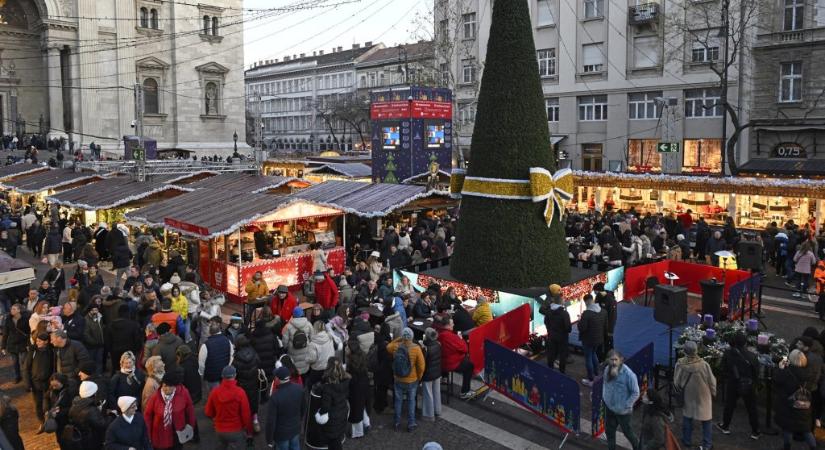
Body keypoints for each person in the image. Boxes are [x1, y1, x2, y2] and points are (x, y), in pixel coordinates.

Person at [716, 332, 761, 439]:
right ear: (745, 343)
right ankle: (755, 431)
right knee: (751, 408)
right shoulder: (752, 356)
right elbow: (756, 372)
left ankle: (725, 426)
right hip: (748, 384)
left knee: (729, 406)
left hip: (733, 383)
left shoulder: (728, 353)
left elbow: (723, 368)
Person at [674, 340, 716, 450]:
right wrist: (713, 391)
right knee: (706, 420)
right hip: (703, 395)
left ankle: (687, 440)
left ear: (684, 351)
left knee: (687, 417)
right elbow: (712, 381)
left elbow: (676, 382)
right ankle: (707, 444)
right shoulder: (704, 364)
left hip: (688, 394)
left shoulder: (680, 364)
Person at [774, 349, 817, 450]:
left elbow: (776, 382)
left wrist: (780, 368)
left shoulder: (787, 373)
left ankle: (787, 447)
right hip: (804, 405)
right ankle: (813, 447)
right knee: (806, 429)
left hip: (788, 405)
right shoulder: (809, 374)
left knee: (788, 428)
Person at [205, 365, 253, 450]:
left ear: (222, 376)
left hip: (220, 430)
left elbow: (208, 412)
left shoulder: (214, 392)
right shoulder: (240, 392)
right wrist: (248, 430)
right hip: (236, 430)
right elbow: (246, 415)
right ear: (235, 376)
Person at [144, 372, 196, 450]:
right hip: (159, 434)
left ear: (175, 386)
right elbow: (147, 416)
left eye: (170, 386)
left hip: (177, 433)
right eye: (164, 386)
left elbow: (190, 410)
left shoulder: (183, 393)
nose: (166, 389)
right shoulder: (155, 397)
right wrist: (147, 435)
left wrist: (190, 425)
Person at [387, 327, 425, 431]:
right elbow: (421, 366)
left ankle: (396, 422)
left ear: (403, 337)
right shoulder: (416, 348)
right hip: (412, 380)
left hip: (398, 379)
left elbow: (388, 347)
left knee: (398, 401)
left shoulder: (396, 347)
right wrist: (419, 377)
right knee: (411, 401)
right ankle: (411, 423)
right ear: (412, 337)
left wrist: (399, 339)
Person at [602, 350, 640, 450]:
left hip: (622, 412)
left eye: (616, 359)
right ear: (608, 360)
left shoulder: (629, 375)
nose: (614, 362)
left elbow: (636, 392)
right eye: (611, 360)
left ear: (621, 360)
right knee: (609, 432)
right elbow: (605, 385)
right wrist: (604, 397)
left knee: (628, 433)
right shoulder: (607, 370)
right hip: (610, 408)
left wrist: (626, 405)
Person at [314, 357, 350, 450]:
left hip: (332, 419)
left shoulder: (327, 388)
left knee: (333, 443)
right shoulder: (346, 381)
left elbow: (325, 407)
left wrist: (319, 414)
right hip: (342, 413)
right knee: (337, 440)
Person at [435, 314, 475, 399]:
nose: (453, 325)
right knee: (469, 365)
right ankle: (464, 392)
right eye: (452, 323)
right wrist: (460, 339)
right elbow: (465, 349)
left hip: (441, 361)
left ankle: (444, 377)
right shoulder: (449, 336)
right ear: (448, 325)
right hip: (450, 363)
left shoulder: (439, 333)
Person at [266, 366, 305, 450]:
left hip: (281, 434)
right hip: (295, 429)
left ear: (277, 379)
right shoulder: (299, 388)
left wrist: (269, 439)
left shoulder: (275, 397)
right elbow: (303, 408)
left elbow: (271, 421)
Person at [231, 335, 262, 433]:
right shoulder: (253, 352)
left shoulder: (236, 357)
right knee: (253, 402)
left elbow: (234, 372)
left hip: (242, 385)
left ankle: (244, 423)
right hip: (253, 383)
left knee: (243, 404)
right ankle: (255, 421)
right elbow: (259, 364)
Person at [66, 380, 108, 450]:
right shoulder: (91, 410)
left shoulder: (74, 405)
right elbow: (102, 424)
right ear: (93, 393)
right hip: (92, 441)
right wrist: (111, 416)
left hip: (80, 440)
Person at [199, 319, 235, 396]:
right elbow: (232, 355)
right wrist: (228, 366)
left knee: (213, 395)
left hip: (211, 377)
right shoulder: (227, 341)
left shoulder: (205, 345)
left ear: (209, 332)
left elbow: (201, 364)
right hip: (224, 375)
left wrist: (202, 374)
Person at [51, 329, 92, 394]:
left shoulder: (77, 345)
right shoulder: (57, 349)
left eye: (52, 339)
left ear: (59, 338)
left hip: (75, 381)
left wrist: (73, 374)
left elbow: (84, 362)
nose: (51, 341)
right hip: (63, 381)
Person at [577, 294, 606, 386]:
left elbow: (582, 328)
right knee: (594, 354)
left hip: (588, 340)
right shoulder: (603, 311)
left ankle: (591, 379)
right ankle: (597, 374)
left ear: (586, 302)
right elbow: (605, 325)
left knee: (588, 358)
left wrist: (579, 321)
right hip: (599, 339)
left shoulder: (586, 313)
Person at [541, 286, 571, 373]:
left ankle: (550, 370)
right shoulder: (564, 314)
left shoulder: (549, 312)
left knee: (551, 353)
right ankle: (562, 372)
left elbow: (546, 322)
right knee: (562, 355)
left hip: (552, 336)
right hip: (562, 338)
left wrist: (550, 331)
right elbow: (568, 328)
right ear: (561, 301)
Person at [108, 304, 144, 376]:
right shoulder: (133, 325)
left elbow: (108, 340)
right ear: (128, 313)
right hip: (129, 351)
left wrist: (110, 350)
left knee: (117, 370)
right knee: (129, 371)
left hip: (115, 352)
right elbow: (137, 340)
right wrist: (138, 349)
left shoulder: (111, 325)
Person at [25, 332, 54, 423]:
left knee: (48, 402)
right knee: (38, 403)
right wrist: (27, 384)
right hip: (35, 383)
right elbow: (26, 368)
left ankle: (49, 420)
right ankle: (41, 422)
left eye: (39, 341)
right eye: (36, 341)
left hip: (48, 382)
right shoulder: (33, 351)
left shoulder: (51, 352)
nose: (37, 343)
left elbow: (53, 367)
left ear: (46, 342)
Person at [2, 303, 30, 384]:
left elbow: (29, 332)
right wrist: (3, 347)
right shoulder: (8, 319)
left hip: (23, 343)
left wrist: (28, 344)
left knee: (23, 362)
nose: (12, 310)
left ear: (19, 310)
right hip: (12, 344)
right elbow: (5, 333)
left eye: (14, 309)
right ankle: (17, 377)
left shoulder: (26, 318)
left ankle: (26, 379)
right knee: (15, 363)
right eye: (11, 309)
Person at [346, 345, 371, 438]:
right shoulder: (362, 358)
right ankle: (366, 423)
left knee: (355, 409)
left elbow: (351, 377)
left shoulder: (352, 362)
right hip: (364, 385)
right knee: (362, 405)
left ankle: (358, 433)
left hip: (355, 388)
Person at [282, 306, 313, 379]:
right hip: (305, 351)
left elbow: (285, 342)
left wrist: (286, 348)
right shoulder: (308, 324)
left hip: (293, 353)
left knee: (295, 375)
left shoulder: (288, 326)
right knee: (305, 375)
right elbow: (312, 338)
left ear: (293, 315)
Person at [421, 327, 442, 421]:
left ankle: (429, 414)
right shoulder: (438, 344)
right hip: (437, 372)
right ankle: (438, 410)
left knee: (428, 393)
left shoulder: (426, 348)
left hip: (428, 374)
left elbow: (423, 362)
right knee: (437, 392)